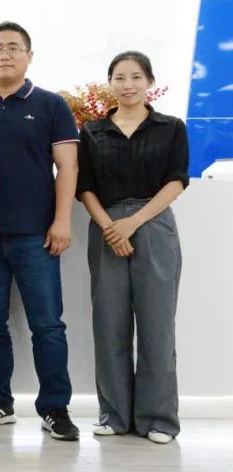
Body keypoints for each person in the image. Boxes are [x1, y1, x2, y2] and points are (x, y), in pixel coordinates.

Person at [0, 21, 81, 441]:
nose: (4, 54)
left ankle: (55, 408)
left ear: (30, 55)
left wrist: (62, 220)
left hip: (36, 235)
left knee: (47, 325)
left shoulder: (51, 105)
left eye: (13, 47)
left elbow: (67, 167)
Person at [77, 51, 189, 444]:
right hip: (106, 226)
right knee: (109, 324)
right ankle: (114, 415)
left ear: (149, 82)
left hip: (153, 224)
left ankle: (159, 419)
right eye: (120, 77)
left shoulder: (170, 128)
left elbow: (176, 181)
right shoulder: (93, 132)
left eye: (136, 77)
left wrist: (133, 222)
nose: (128, 85)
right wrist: (111, 227)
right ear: (110, 83)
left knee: (157, 326)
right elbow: (85, 187)